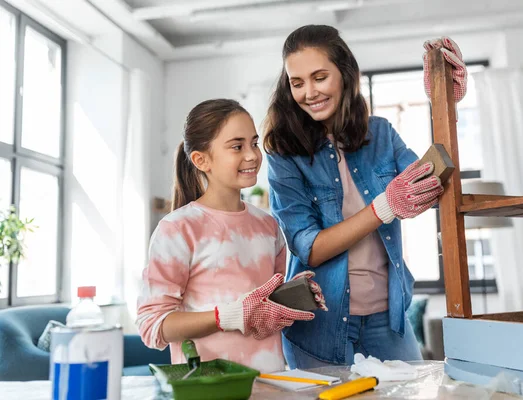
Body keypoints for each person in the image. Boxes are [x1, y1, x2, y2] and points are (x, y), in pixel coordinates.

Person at [264, 26, 467, 368]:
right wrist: (384, 207)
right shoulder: (283, 153)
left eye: (319, 77)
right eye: (297, 83)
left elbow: (432, 188)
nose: (309, 92)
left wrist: (445, 107)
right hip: (319, 327)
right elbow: (308, 247)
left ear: (344, 74)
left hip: (388, 320)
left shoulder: (381, 133)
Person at [136, 99, 327, 373]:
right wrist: (225, 316)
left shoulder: (268, 226)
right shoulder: (178, 228)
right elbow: (153, 326)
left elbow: (262, 311)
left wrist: (292, 297)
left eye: (254, 143)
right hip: (208, 388)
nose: (251, 155)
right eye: (237, 146)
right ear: (202, 160)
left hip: (269, 382)